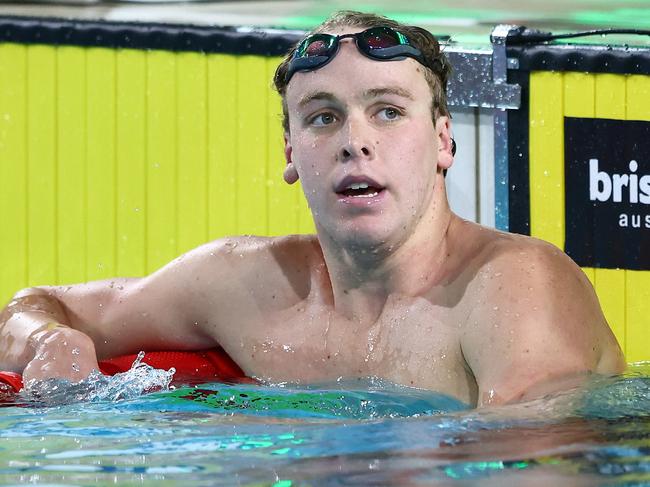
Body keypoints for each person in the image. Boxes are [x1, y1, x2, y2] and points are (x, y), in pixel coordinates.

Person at [0, 11, 624, 407]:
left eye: (387, 111)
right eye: (324, 118)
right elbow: (35, 303)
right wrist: (49, 339)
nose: (356, 140)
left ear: (442, 141)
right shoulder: (245, 285)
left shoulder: (512, 289)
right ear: (291, 150)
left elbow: (544, 468)